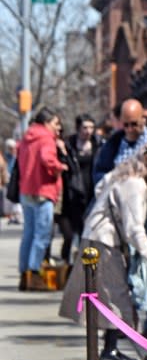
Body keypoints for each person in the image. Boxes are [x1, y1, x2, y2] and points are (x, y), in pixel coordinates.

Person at [58, 141, 147, 360]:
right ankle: (127, 353)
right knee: (117, 298)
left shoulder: (122, 174)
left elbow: (100, 187)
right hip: (105, 242)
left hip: (97, 237)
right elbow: (134, 228)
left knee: (108, 298)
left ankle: (110, 349)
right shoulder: (136, 184)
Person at [17, 107, 68, 291]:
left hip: (26, 191)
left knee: (28, 234)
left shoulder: (26, 137)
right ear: (46, 123)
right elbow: (47, 158)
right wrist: (59, 166)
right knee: (42, 235)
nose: (58, 127)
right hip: (43, 191)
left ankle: (24, 274)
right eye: (55, 123)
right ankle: (35, 272)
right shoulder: (46, 139)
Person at [57, 114, 99, 263]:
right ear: (78, 128)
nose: (88, 131)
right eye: (85, 127)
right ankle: (66, 261)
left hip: (91, 192)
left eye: (91, 127)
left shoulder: (98, 144)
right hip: (72, 194)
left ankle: (85, 264)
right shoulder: (68, 145)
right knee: (69, 233)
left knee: (87, 232)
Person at [93, 99, 147, 185]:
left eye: (134, 124)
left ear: (143, 119)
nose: (130, 129)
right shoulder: (112, 143)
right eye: (126, 125)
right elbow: (99, 172)